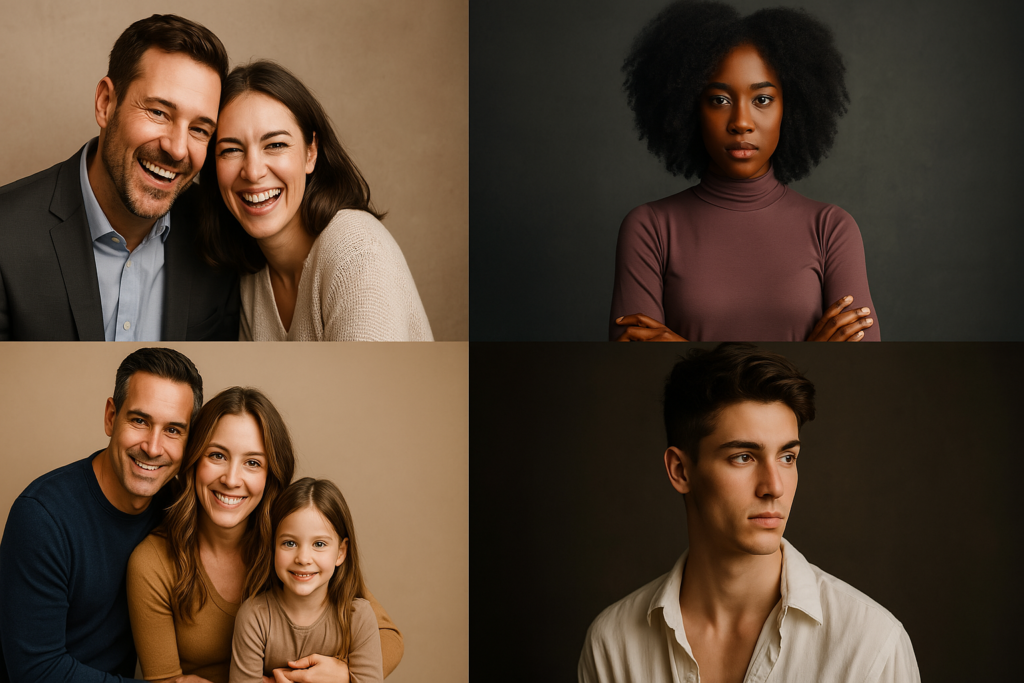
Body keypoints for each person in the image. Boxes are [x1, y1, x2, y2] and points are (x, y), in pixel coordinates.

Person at [578, 344, 920, 682]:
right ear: (681, 471)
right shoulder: (612, 644)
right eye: (743, 457)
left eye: (787, 457)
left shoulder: (873, 644)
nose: (774, 487)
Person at [611, 1, 879, 342]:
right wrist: (812, 353)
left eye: (762, 99)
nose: (741, 122)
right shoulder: (650, 229)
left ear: (791, 108)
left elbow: (861, 367)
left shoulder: (831, 229)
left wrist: (684, 350)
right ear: (688, 108)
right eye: (719, 100)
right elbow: (635, 367)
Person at [127, 388, 403, 683]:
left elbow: (388, 637)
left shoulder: (293, 542)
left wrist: (345, 676)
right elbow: (164, 681)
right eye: (217, 455)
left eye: (253, 462)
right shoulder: (153, 562)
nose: (232, 480)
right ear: (193, 461)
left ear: (271, 474)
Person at [0, 14, 239, 341]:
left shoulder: (221, 233)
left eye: (199, 129)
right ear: (106, 103)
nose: (178, 149)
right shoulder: (6, 232)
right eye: (158, 112)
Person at [0, 348, 203, 682]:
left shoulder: (179, 507)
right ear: (111, 417)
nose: (153, 447)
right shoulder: (41, 517)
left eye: (173, 430)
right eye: (139, 420)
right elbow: (35, 672)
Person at [198, 61, 432, 341]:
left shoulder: (357, 253)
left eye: (275, 145)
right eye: (231, 149)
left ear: (311, 153)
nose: (253, 171)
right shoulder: (250, 273)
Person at [230, 478, 382, 683]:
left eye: (319, 544)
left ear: (341, 552)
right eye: (289, 543)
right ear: (273, 547)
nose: (303, 558)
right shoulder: (254, 617)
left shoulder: (359, 618)